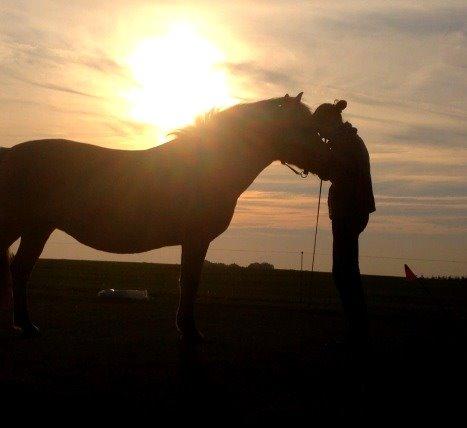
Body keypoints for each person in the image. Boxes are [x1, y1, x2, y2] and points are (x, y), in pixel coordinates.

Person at [311, 100, 376, 353]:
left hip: (348, 212)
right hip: (351, 211)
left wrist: (318, 162)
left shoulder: (344, 143)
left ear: (329, 123)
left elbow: (331, 171)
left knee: (344, 273)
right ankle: (357, 333)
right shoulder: (348, 140)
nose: (320, 134)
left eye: (320, 128)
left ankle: (358, 335)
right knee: (346, 272)